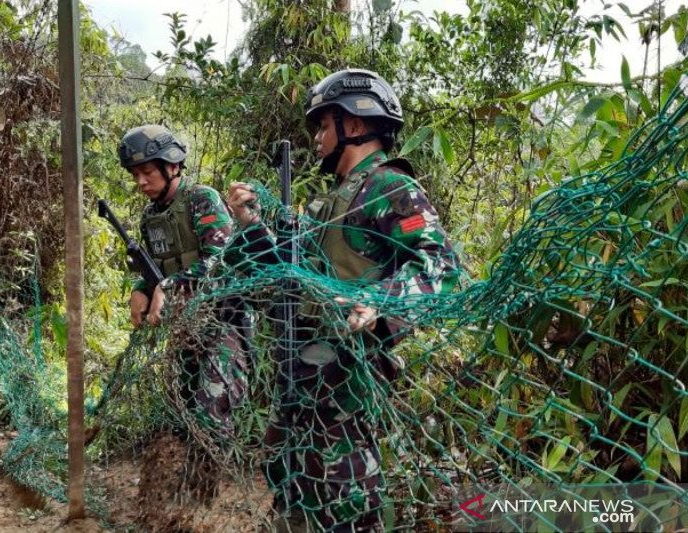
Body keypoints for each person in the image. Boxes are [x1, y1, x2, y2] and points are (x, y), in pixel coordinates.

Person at [227, 69, 460, 531]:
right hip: (303, 372)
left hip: (346, 378)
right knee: (291, 482)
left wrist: (379, 301)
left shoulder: (389, 188)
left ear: (353, 125)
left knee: (346, 498)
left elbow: (441, 263)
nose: (316, 138)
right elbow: (288, 275)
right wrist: (252, 225)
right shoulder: (333, 201)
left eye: (322, 125)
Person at [119, 124, 248, 439]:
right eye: (135, 174)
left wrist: (170, 286)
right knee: (182, 415)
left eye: (147, 171)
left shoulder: (201, 199)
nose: (141, 181)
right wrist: (141, 290)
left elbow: (221, 262)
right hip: (184, 329)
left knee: (212, 415)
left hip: (222, 325)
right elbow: (154, 269)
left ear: (172, 165)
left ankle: (207, 481)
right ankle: (188, 485)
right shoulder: (151, 216)